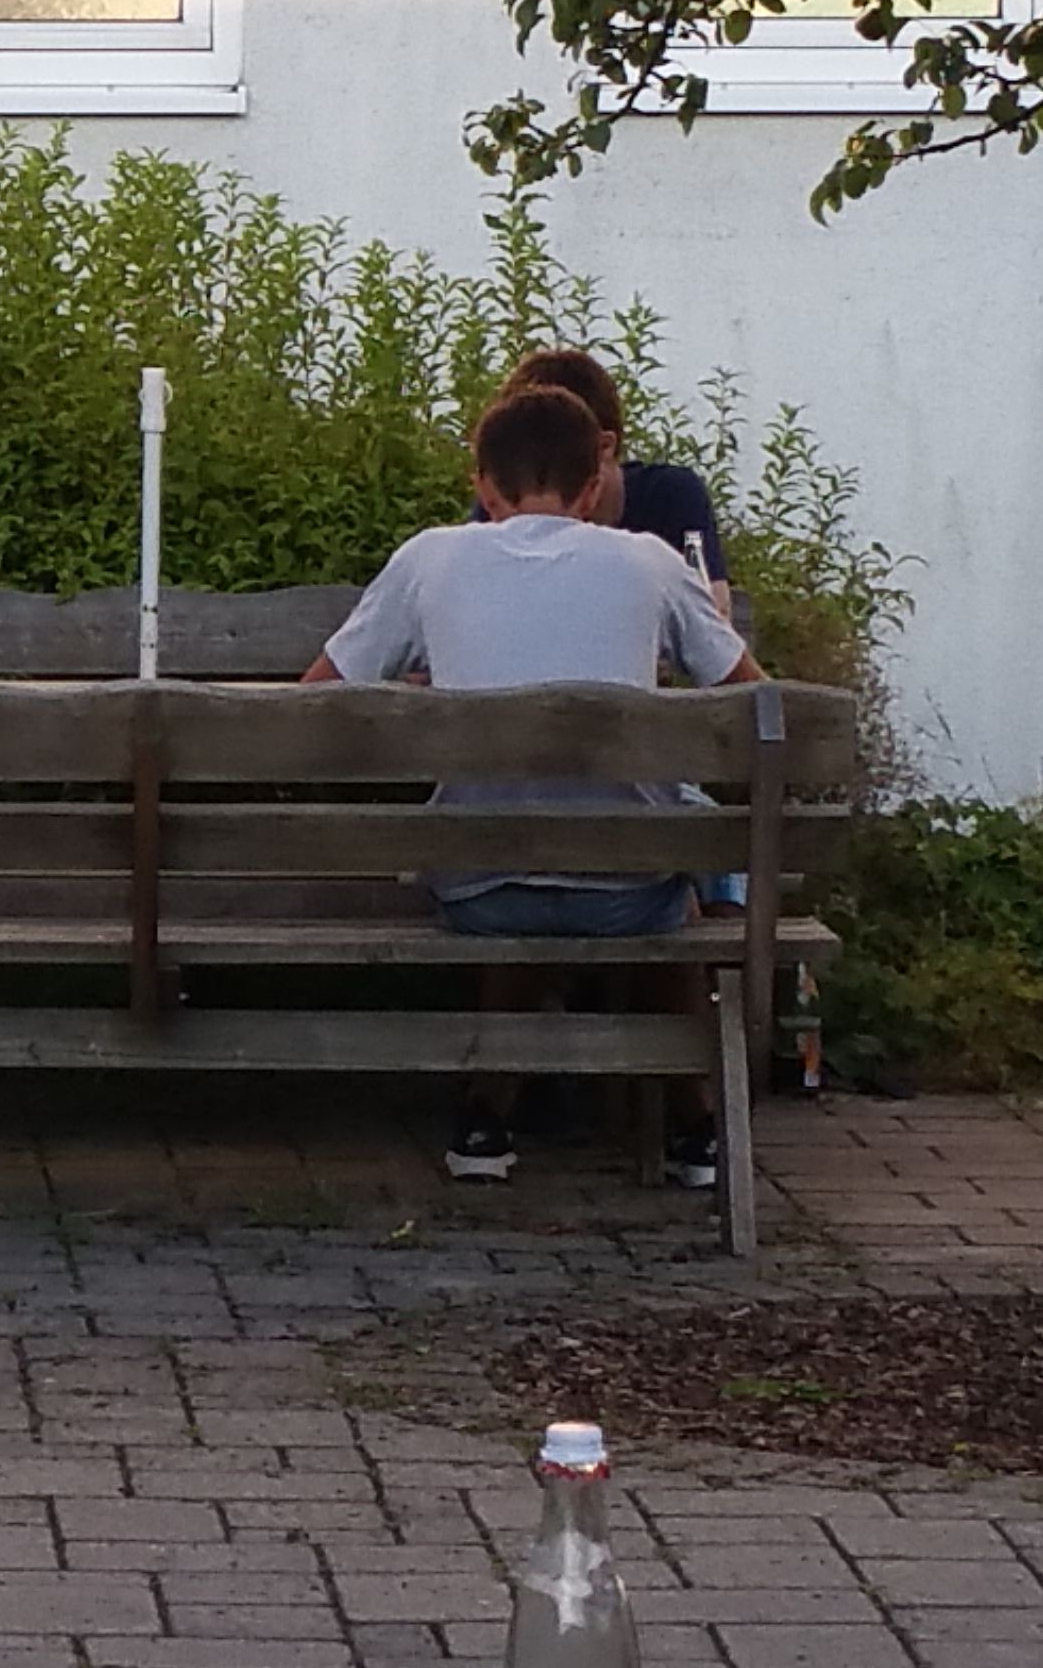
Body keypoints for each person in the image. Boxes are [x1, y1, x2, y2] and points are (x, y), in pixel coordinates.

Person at [311, 379, 760, 1189]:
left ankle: (487, 1115)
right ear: (593, 488)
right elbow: (755, 707)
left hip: (479, 892)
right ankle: (695, 1124)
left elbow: (314, 701)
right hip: (627, 897)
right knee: (664, 873)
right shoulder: (651, 561)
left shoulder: (428, 558)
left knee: (512, 842)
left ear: (482, 486)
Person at [494, 345, 729, 598]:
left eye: (553, 458)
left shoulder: (670, 497)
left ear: (604, 447)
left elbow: (713, 605)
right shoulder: (503, 503)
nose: (538, 483)